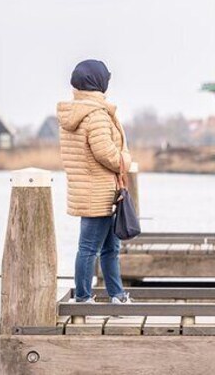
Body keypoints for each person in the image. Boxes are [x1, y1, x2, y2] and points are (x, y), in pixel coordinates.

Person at [57, 59, 133, 304]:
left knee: (108, 248)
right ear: (98, 82)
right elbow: (106, 154)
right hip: (98, 191)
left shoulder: (75, 113)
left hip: (91, 189)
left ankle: (116, 295)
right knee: (91, 248)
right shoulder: (96, 115)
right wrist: (125, 160)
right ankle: (83, 297)